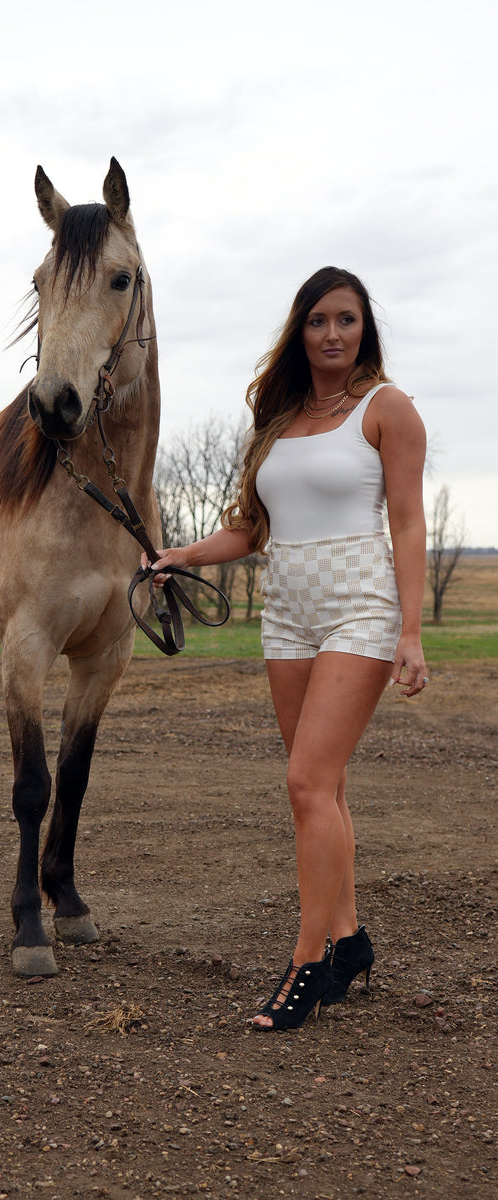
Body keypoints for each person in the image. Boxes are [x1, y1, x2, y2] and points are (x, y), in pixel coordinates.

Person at [145, 266, 427, 1031]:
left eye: (347, 319)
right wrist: (181, 556)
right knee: (322, 789)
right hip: (288, 610)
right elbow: (252, 529)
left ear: (363, 329)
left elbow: (406, 522)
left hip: (359, 607)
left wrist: (409, 629)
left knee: (307, 782)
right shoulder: (279, 419)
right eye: (318, 321)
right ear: (298, 330)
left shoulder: (387, 409)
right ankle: (350, 938)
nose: (333, 334)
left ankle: (306, 965)